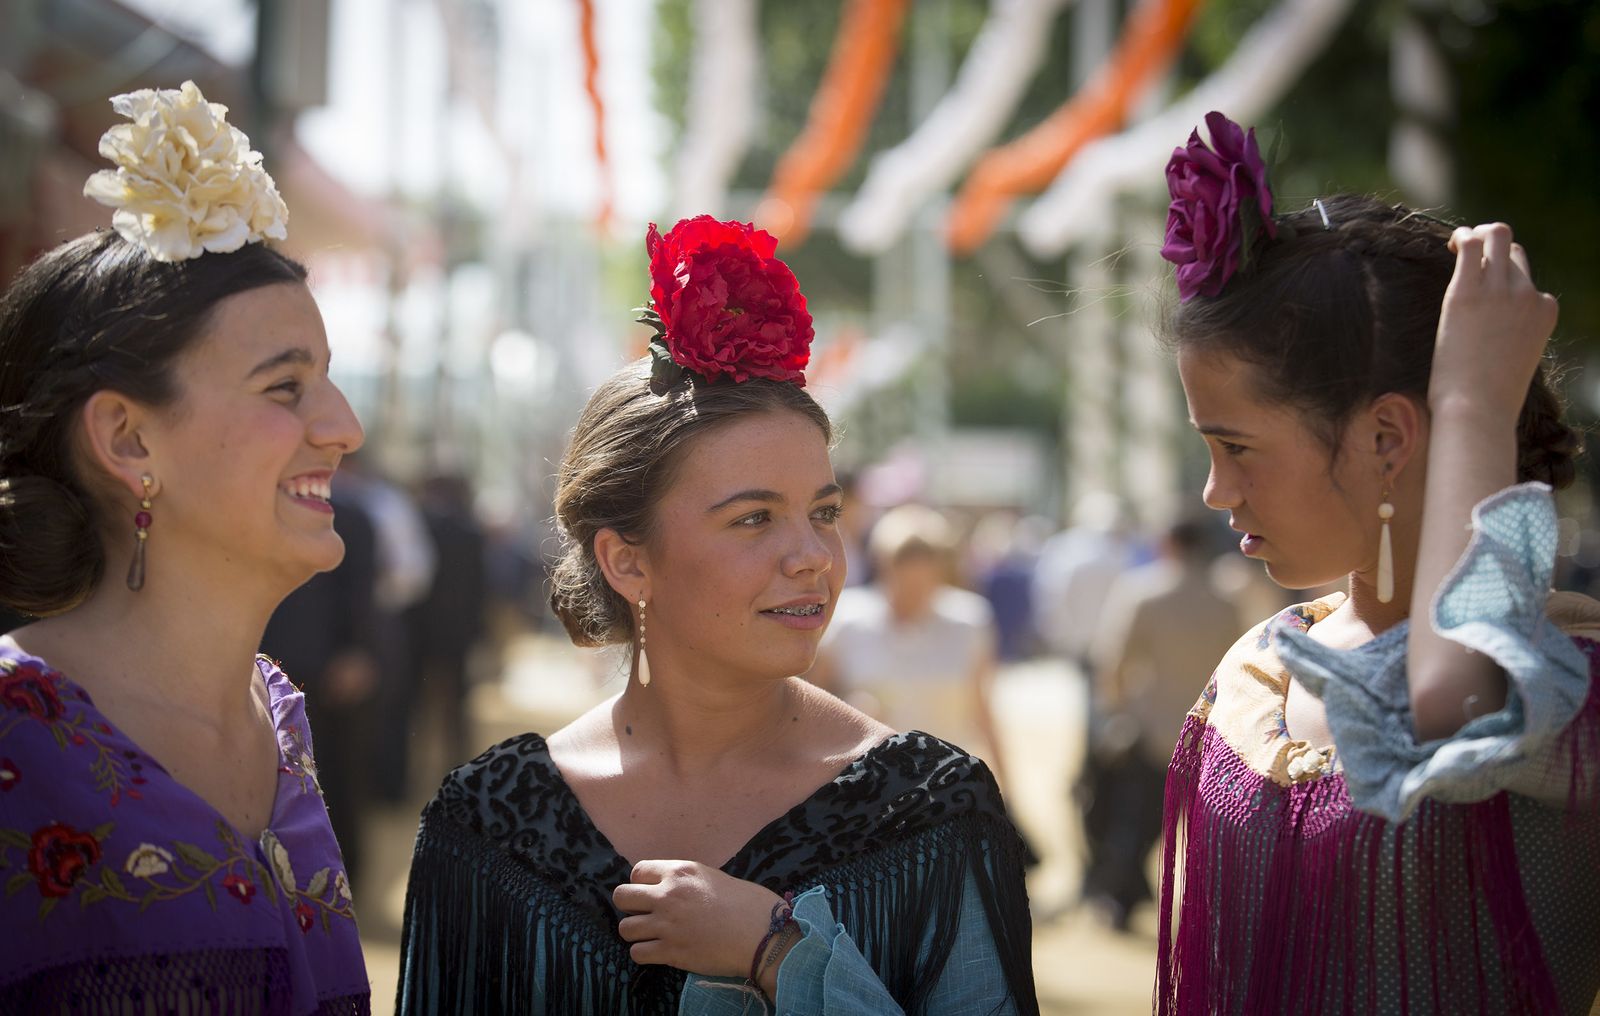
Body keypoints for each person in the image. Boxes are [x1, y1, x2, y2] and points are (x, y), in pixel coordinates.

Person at [397, 216, 1037, 1015]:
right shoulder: (490, 826)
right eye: (753, 518)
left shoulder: (930, 808)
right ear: (627, 560)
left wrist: (783, 958)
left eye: (825, 513)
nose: (813, 556)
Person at [1154, 112, 1600, 1013]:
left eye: (1237, 447)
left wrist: (1472, 402)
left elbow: (1447, 718)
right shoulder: (1264, 666)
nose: (1215, 490)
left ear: (1387, 435)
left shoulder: (1565, 677)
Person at [0, 81, 370, 1010]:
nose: (344, 426)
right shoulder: (11, 741)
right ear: (128, 440)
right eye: (285, 386)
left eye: (328, 379)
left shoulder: (279, 719)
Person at [1076, 516, 1238, 930]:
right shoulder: (1225, 598)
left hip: (1150, 728)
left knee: (1135, 823)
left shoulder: (1143, 591)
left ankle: (1120, 903)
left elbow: (1113, 659)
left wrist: (1116, 713)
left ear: (1168, 541)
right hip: (1207, 732)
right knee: (1203, 830)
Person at [810, 504, 1011, 787]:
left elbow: (983, 709)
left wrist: (1006, 787)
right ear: (882, 564)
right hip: (867, 785)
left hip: (947, 783)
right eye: (901, 566)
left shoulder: (970, 621)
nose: (911, 584)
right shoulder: (847, 620)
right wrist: (851, 710)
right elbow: (814, 701)